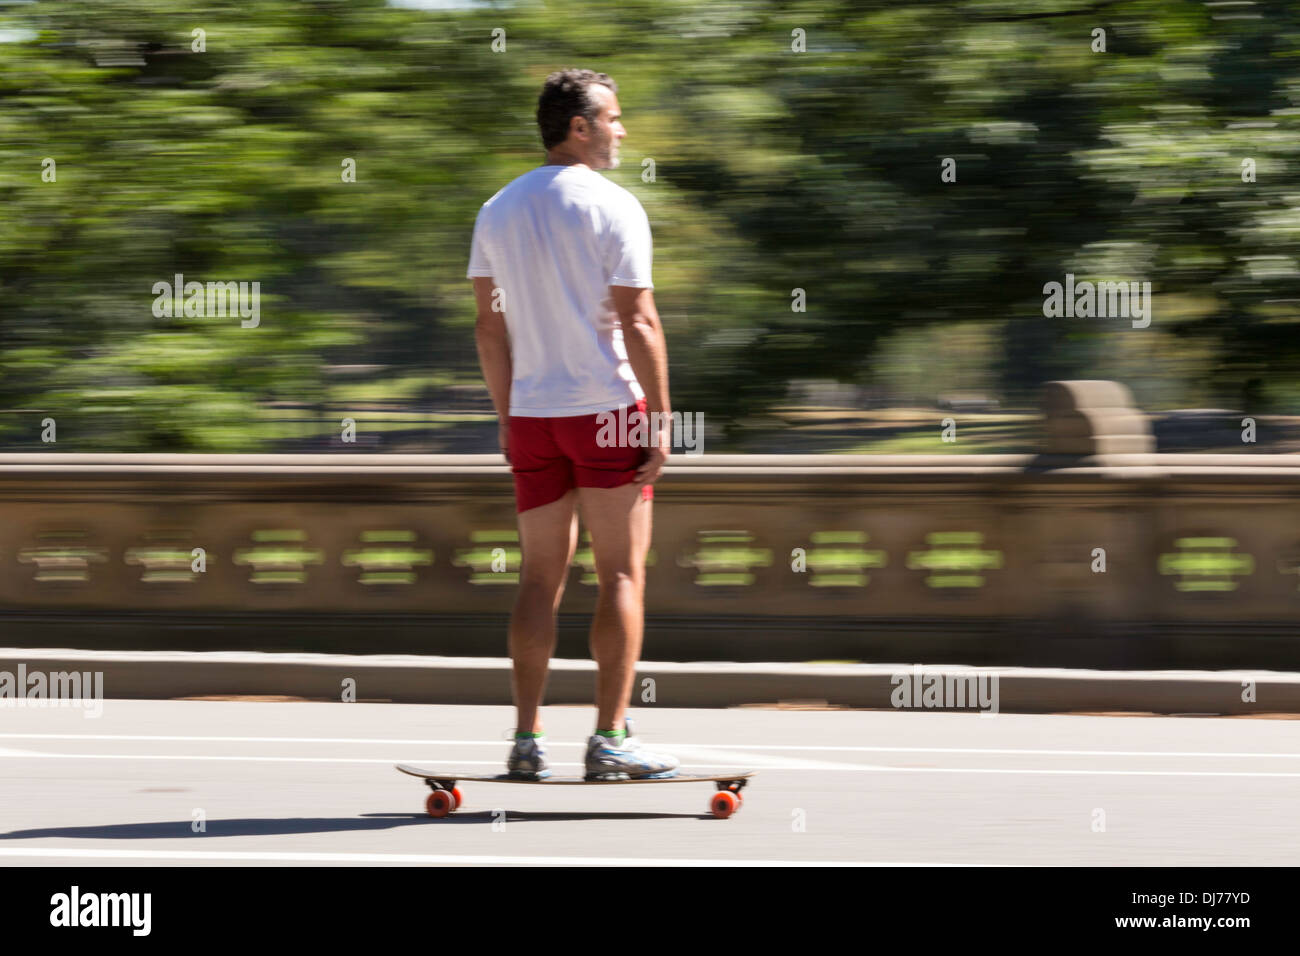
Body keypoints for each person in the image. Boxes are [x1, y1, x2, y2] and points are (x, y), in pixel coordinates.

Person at [467, 68, 678, 780]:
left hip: (532, 413)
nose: (622, 131)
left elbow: (488, 331)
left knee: (538, 578)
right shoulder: (612, 206)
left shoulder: (496, 209)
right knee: (620, 571)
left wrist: (506, 417)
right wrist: (660, 419)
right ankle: (611, 739)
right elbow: (640, 320)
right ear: (579, 127)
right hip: (608, 411)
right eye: (613, 119)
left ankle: (527, 741)